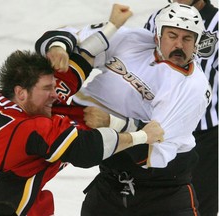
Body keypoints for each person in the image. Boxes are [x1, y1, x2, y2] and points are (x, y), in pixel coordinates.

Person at [0, 50, 164, 216]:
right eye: (47, 89)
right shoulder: (31, 128)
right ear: (21, 93)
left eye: (54, 87)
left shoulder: (1, 102)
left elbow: (77, 63)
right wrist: (141, 134)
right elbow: (87, 150)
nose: (54, 94)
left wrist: (109, 27)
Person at [35, 3, 212, 215]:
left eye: (187, 39)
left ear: (197, 43)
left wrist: (111, 122)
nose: (179, 45)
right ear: (157, 36)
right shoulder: (134, 40)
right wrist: (58, 48)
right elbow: (69, 37)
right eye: (172, 35)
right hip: (111, 181)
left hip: (164, 194)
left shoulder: (192, 87)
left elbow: (152, 150)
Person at [144, 1, 218, 215]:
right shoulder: (158, 17)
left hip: (204, 137)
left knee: (200, 206)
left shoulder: (217, 23)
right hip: (157, 131)